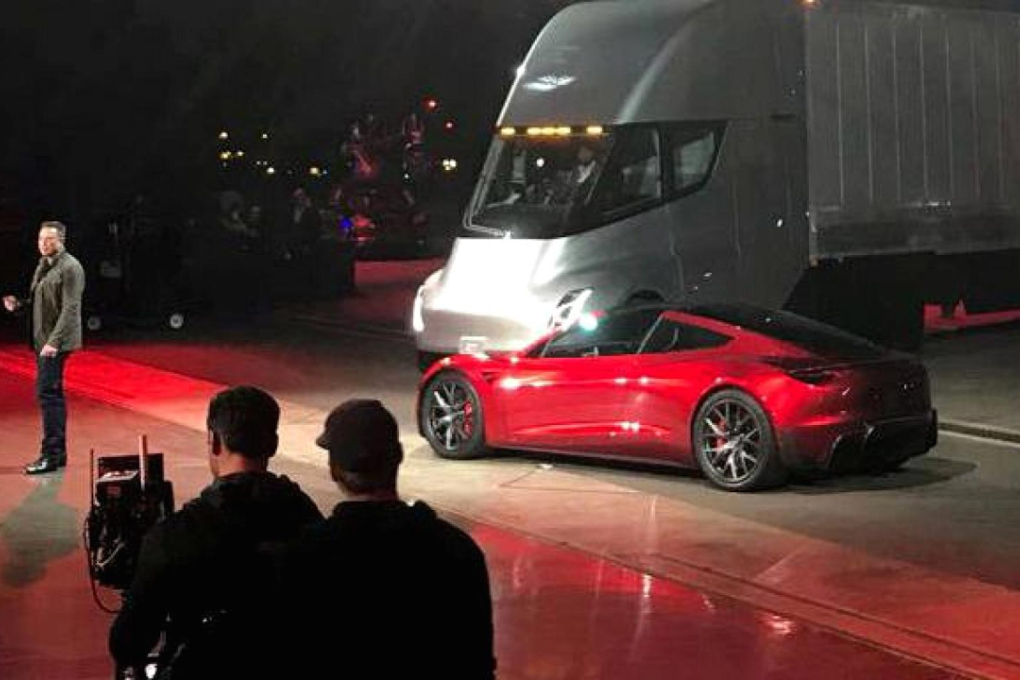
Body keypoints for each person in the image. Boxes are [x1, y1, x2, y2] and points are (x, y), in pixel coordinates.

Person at [109, 386, 323, 678]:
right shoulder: (308, 519)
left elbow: (128, 644)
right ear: (273, 444)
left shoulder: (175, 535)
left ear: (213, 442)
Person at [280, 399, 496, 679]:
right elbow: (476, 664)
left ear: (334, 469)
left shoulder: (305, 556)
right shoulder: (456, 550)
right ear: (398, 457)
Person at [3, 221, 85, 475]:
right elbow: (42, 302)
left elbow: (70, 309)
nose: (43, 244)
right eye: (40, 239)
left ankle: (51, 454)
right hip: (43, 340)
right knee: (50, 394)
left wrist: (53, 342)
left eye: (49, 239)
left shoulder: (70, 267)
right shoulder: (44, 265)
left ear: (61, 239)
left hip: (55, 343)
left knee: (48, 395)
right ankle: (57, 454)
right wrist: (20, 306)